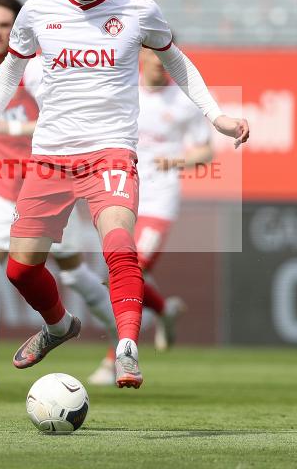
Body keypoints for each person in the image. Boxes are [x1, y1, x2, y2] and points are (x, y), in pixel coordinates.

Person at [0, 0, 249, 389]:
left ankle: (127, 349)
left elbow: (177, 60)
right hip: (51, 156)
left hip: (111, 152)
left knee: (119, 245)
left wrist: (214, 115)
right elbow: (11, 67)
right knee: (19, 270)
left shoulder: (138, 10)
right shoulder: (38, 9)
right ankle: (59, 326)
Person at [0, 0, 119, 394]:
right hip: (2, 188)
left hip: (47, 192)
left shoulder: (39, 70)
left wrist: (15, 129)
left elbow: (65, 121)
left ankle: (123, 337)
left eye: (5, 25)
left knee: (75, 276)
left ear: (18, 28)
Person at [87, 45, 214, 385]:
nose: (158, 65)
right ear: (141, 56)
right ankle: (164, 310)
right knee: (121, 270)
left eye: (164, 58)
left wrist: (179, 161)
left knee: (134, 267)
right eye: (152, 57)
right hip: (124, 190)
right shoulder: (124, 89)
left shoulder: (184, 100)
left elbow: (206, 151)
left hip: (160, 198)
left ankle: (113, 359)